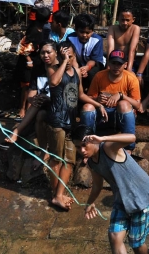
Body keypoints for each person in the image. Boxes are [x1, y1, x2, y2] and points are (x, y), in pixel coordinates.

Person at [71, 125, 149, 254]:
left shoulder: (108, 147)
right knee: (114, 236)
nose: (82, 151)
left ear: (93, 140)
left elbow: (131, 137)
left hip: (142, 198)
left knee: (136, 242)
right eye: (78, 147)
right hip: (122, 200)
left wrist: (102, 138)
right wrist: (90, 203)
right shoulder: (93, 163)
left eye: (84, 146)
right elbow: (96, 185)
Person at [36, 41, 106, 210]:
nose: (69, 59)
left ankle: (60, 193)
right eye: (65, 56)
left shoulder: (75, 72)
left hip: (69, 123)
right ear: (60, 56)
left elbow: (80, 94)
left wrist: (98, 104)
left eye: (72, 55)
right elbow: (53, 83)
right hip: (57, 122)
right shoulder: (53, 69)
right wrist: (63, 62)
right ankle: (56, 195)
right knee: (56, 160)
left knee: (69, 160)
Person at [80, 50, 141, 151]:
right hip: (102, 114)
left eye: (119, 64)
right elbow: (88, 98)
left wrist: (121, 96)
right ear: (108, 63)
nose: (116, 67)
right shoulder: (99, 76)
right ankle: (87, 145)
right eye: (113, 63)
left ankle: (128, 147)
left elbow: (138, 106)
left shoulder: (131, 78)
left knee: (124, 104)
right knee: (87, 107)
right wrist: (97, 99)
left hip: (120, 115)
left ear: (125, 65)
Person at [15, 7, 51, 119]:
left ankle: (29, 109)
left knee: (31, 85)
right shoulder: (33, 30)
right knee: (26, 86)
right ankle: (22, 108)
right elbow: (23, 47)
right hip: (28, 61)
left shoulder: (43, 30)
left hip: (35, 61)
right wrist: (29, 61)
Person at [67, 14, 105, 91]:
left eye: (88, 33)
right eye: (81, 32)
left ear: (92, 31)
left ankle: (92, 93)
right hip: (77, 63)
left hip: (93, 64)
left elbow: (94, 59)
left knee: (92, 74)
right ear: (76, 29)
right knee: (72, 73)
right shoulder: (70, 38)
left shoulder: (97, 40)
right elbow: (72, 56)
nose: (84, 35)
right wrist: (77, 70)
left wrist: (86, 68)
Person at [107, 8, 140, 73]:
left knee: (131, 78)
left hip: (128, 61)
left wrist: (129, 68)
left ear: (133, 19)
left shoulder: (135, 28)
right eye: (122, 20)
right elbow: (110, 48)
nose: (125, 23)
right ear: (118, 18)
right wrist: (108, 66)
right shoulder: (112, 28)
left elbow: (132, 50)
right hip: (115, 60)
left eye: (127, 20)